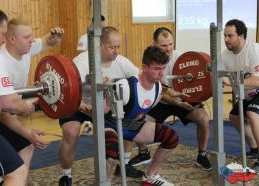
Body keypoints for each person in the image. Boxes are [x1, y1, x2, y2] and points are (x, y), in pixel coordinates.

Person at [58, 26, 141, 186]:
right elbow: (67, 90)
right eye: (111, 47)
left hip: (104, 105)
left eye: (118, 47)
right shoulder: (82, 62)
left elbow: (140, 79)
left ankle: (122, 165)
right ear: (100, 45)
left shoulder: (121, 62)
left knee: (128, 119)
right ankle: (66, 175)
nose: (116, 51)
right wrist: (80, 105)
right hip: (77, 102)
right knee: (70, 132)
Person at [0, 18, 65, 186]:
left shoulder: (26, 48)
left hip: (6, 110)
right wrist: (27, 132)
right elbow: (3, 112)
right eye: (27, 37)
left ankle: (5, 181)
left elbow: (45, 41)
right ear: (12, 39)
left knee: (25, 147)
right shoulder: (1, 62)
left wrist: (53, 39)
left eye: (32, 36)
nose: (32, 40)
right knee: (24, 144)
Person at [129, 27, 212, 171]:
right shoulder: (150, 63)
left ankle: (202, 155)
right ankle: (143, 153)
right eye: (163, 45)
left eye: (170, 44)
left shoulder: (183, 58)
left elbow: (201, 75)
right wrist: (176, 100)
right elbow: (158, 91)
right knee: (135, 121)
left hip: (183, 99)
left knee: (203, 118)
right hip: (160, 101)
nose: (168, 49)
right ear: (154, 44)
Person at [0, 6, 38, 186]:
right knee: (17, 173)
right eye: (3, 34)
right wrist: (26, 106)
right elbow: (9, 103)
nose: (5, 39)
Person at [104, 45, 178, 185]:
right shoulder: (124, 87)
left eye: (163, 68)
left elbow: (141, 113)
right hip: (110, 124)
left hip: (128, 125)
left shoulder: (158, 88)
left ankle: (150, 176)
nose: (161, 73)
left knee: (171, 137)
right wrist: (107, 94)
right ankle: (105, 183)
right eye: (156, 69)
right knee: (112, 151)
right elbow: (102, 114)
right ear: (144, 67)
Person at [220, 19, 259, 171]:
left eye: (230, 36)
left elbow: (257, 80)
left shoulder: (253, 51)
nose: (226, 39)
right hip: (247, 94)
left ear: (241, 36)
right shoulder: (225, 56)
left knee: (252, 113)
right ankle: (255, 149)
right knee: (235, 117)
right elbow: (218, 78)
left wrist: (231, 81)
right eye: (225, 36)